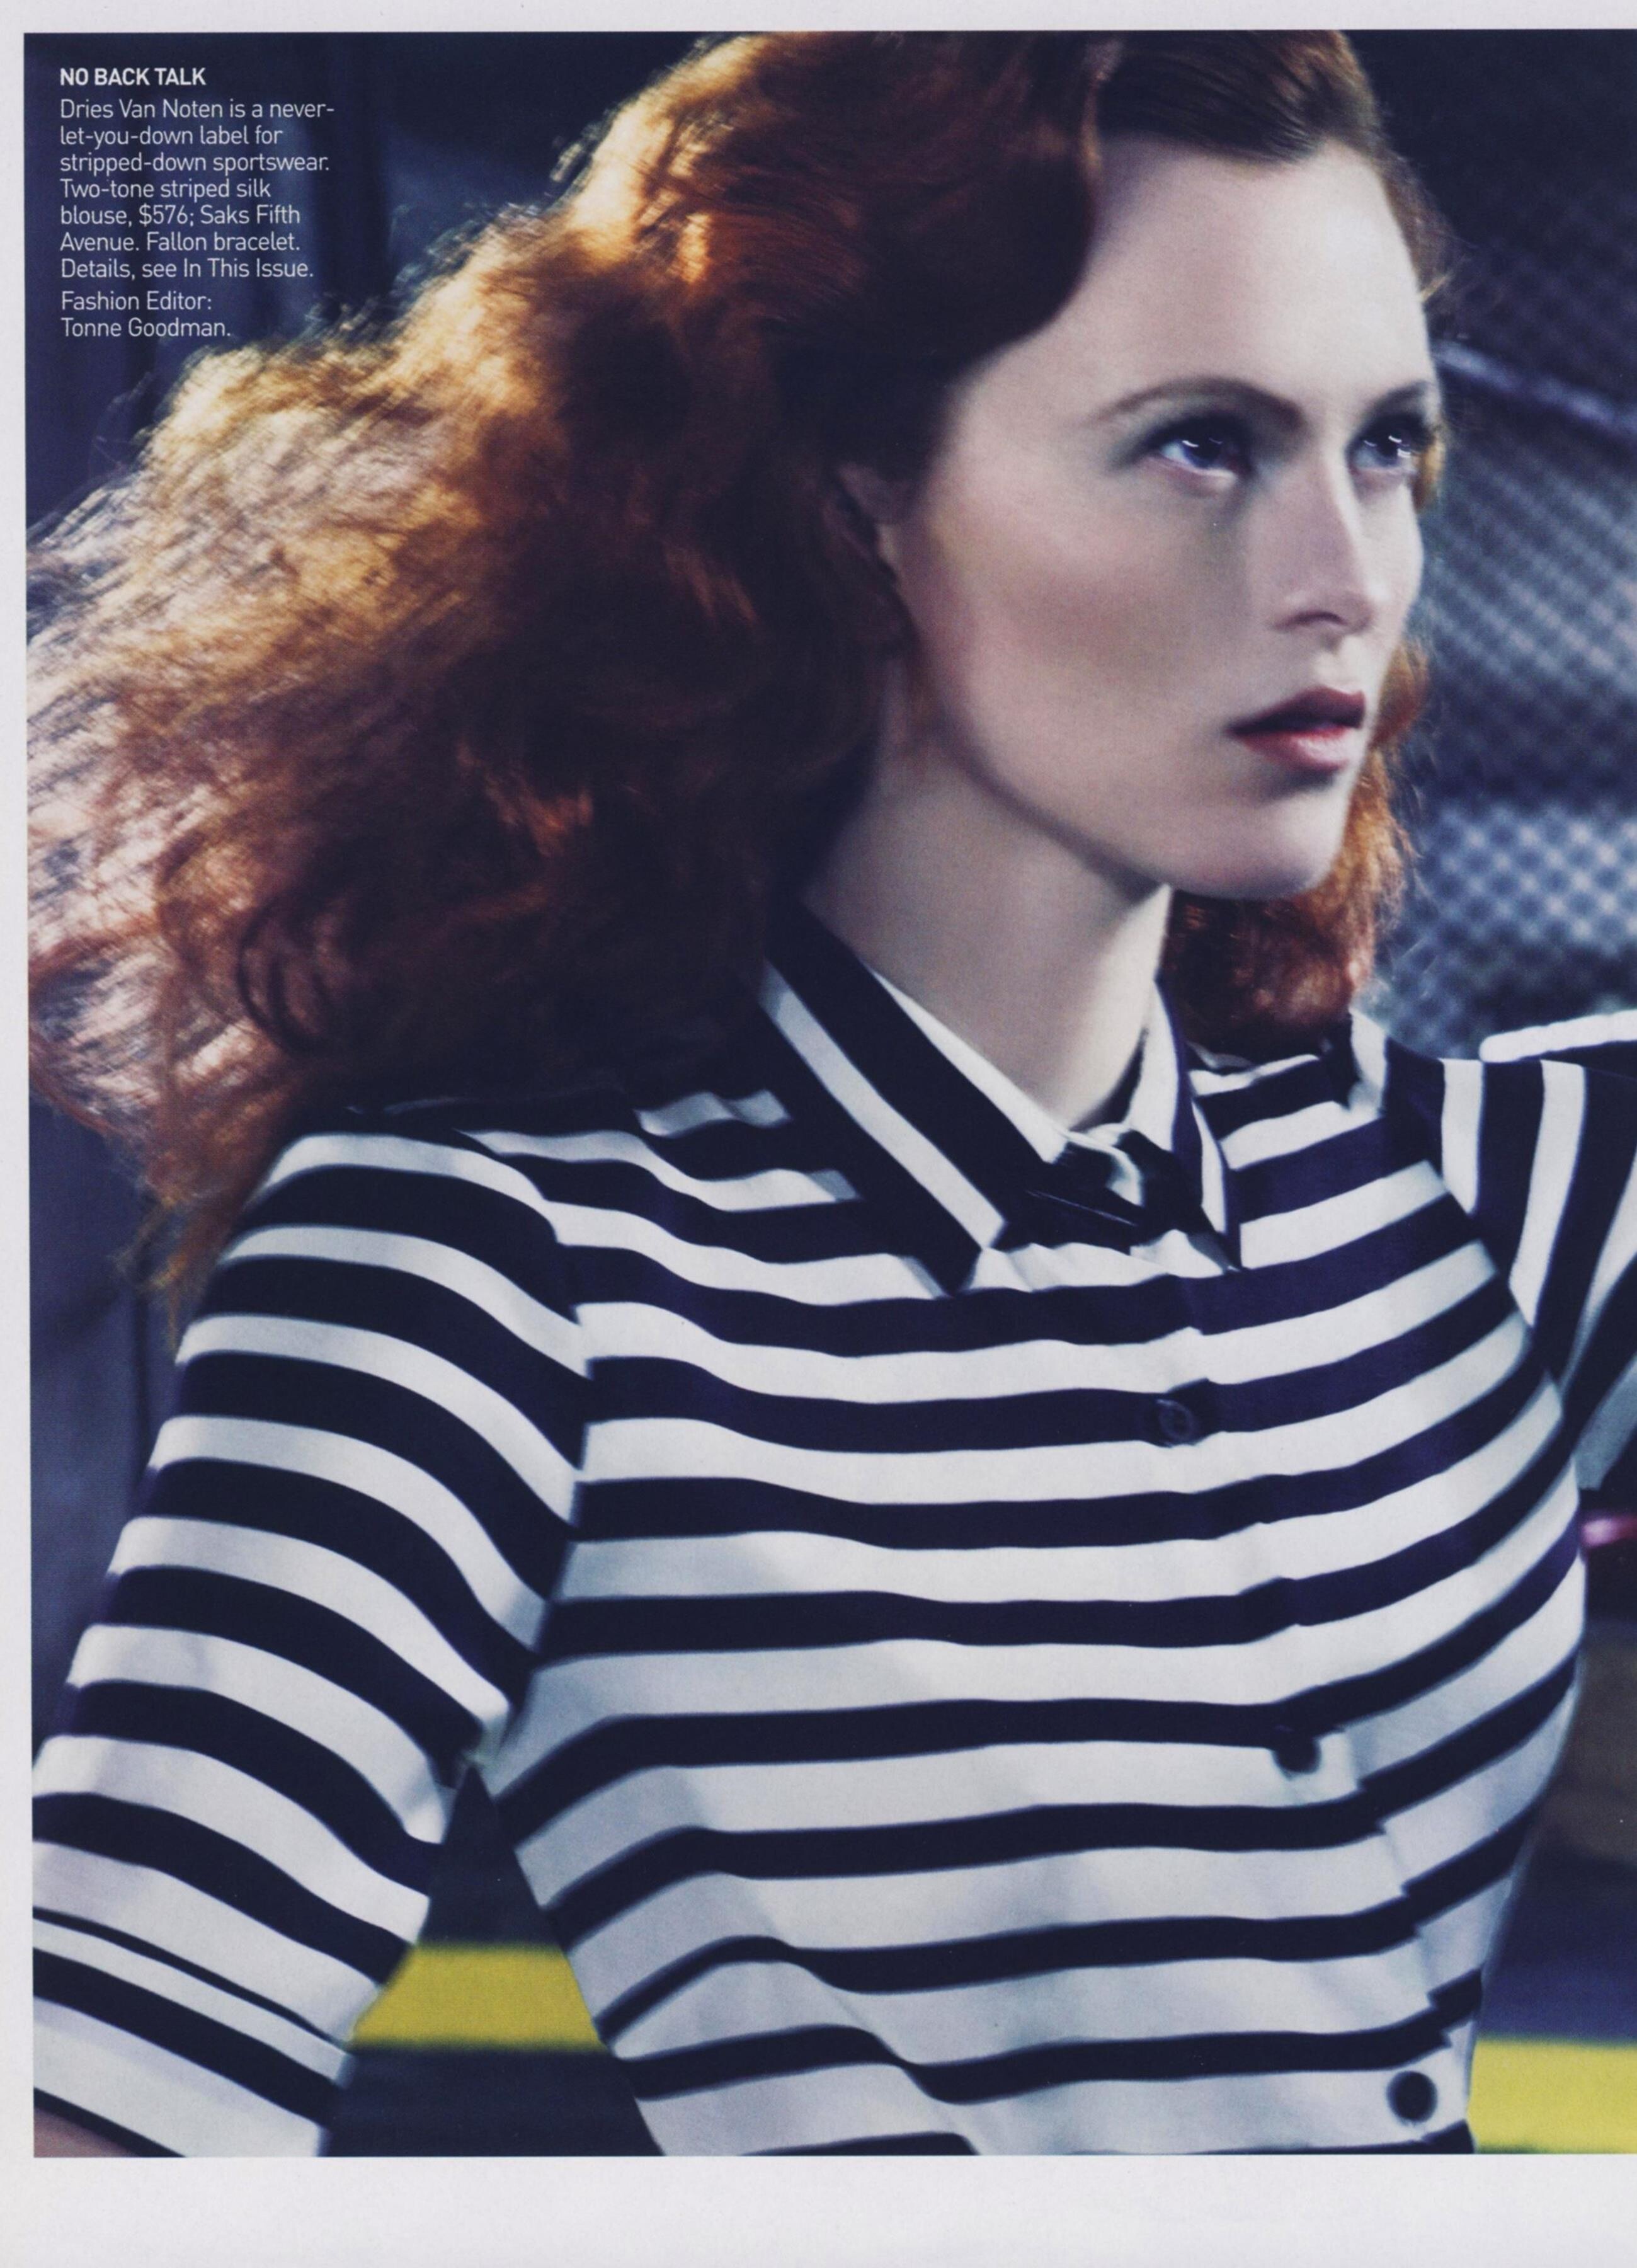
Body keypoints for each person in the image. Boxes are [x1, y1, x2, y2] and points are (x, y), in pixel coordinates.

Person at [29, 30, 1629, 2156]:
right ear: (848, 497)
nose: (1346, 572)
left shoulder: (1497, 1197)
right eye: (1202, 445)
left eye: (1389, 446)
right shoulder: (494, 1266)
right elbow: (92, 2104)